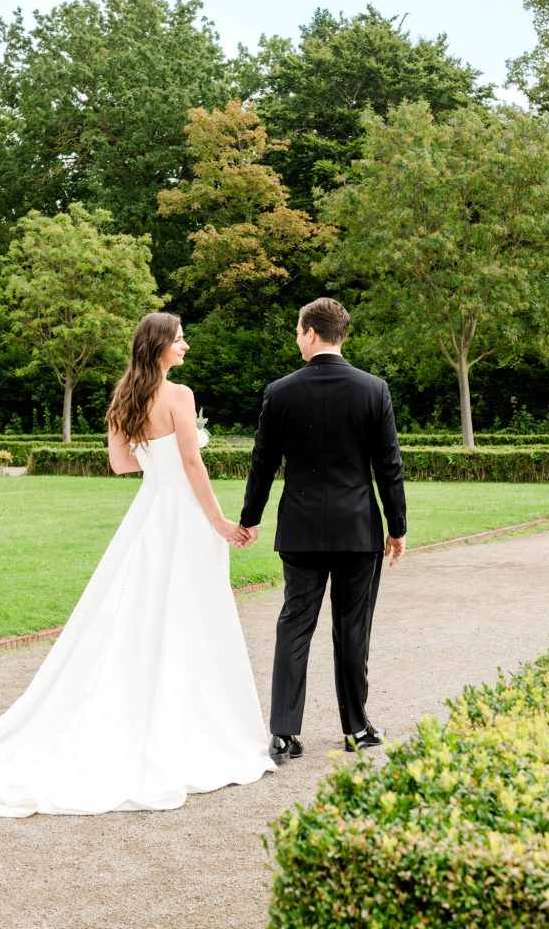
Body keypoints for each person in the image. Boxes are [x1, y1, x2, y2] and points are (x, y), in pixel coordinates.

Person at [0, 312, 275, 818]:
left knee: (139, 608)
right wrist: (217, 519)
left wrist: (158, 458)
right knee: (191, 612)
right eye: (179, 340)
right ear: (159, 346)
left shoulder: (124, 397)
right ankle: (194, 722)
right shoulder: (180, 395)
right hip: (186, 518)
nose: (185, 346)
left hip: (150, 513)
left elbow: (120, 464)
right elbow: (192, 463)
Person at [238, 298, 407, 762]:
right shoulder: (373, 389)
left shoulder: (281, 392)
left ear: (311, 332)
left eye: (298, 331)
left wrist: (250, 518)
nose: (297, 338)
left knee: (295, 624)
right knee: (353, 629)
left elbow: (262, 463)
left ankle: (283, 734)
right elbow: (389, 466)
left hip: (301, 529)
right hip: (357, 530)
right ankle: (357, 728)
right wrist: (397, 527)